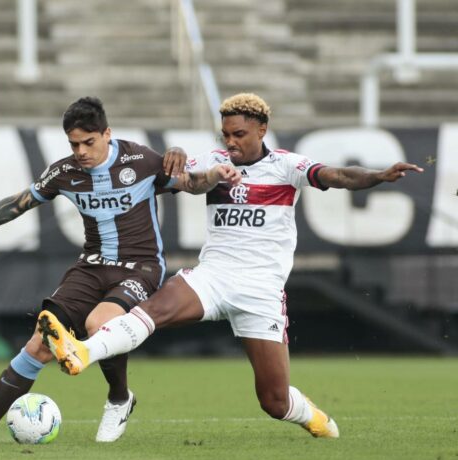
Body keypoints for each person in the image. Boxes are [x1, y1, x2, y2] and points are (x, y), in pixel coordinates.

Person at [42, 92, 424, 438]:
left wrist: (378, 176)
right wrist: (174, 151)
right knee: (152, 310)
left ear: (262, 130)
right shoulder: (215, 162)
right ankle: (84, 352)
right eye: (225, 133)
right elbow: (178, 175)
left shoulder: (286, 166)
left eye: (239, 133)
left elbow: (337, 175)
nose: (230, 141)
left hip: (260, 289)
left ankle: (315, 418)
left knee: (275, 402)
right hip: (213, 275)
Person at [0, 96, 240, 444]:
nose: (81, 151)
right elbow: (18, 203)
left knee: (98, 324)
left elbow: (193, 184)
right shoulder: (64, 172)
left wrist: (213, 174)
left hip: (140, 267)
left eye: (88, 142)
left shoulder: (141, 160)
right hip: (91, 266)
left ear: (107, 133)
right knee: (40, 343)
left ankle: (119, 398)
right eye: (74, 143)